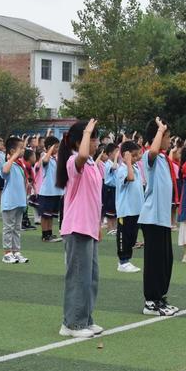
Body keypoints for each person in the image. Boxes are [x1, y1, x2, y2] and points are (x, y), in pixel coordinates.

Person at [56, 119, 104, 339]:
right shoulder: (74, 160)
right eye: (93, 139)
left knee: (91, 277)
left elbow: (95, 199)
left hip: (89, 227)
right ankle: (72, 323)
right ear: (80, 141)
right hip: (76, 227)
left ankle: (85, 319)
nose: (96, 142)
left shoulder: (94, 164)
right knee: (78, 277)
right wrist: (86, 132)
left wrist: (98, 226)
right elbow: (83, 155)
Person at [138, 118, 179, 317]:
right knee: (154, 261)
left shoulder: (164, 159)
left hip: (162, 219)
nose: (169, 141)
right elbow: (153, 151)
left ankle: (160, 297)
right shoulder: (149, 156)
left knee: (165, 260)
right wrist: (160, 130)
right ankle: (150, 302)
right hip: (152, 217)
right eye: (167, 137)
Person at [115, 141, 144, 273]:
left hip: (136, 209)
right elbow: (130, 178)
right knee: (124, 236)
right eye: (133, 155)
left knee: (132, 237)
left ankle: (127, 260)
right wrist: (127, 162)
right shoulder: (122, 170)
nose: (137, 157)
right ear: (125, 156)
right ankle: (123, 261)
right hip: (126, 210)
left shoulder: (135, 167)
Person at [1, 136, 29, 264]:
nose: (23, 150)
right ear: (12, 151)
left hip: (19, 201)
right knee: (8, 228)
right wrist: (13, 157)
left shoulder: (20, 163)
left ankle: (16, 251)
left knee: (17, 228)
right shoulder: (9, 162)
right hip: (10, 202)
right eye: (20, 148)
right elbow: (5, 171)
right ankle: (7, 253)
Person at [38, 136, 64, 242]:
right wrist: (50, 150)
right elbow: (44, 161)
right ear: (49, 147)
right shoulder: (45, 156)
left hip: (55, 192)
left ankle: (50, 233)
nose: (57, 150)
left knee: (51, 215)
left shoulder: (54, 158)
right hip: (47, 192)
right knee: (45, 215)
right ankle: (45, 235)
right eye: (56, 147)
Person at [102, 143, 119, 234]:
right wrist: (116, 158)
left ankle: (114, 228)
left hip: (115, 188)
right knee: (110, 209)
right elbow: (114, 167)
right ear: (109, 154)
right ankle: (109, 228)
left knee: (115, 209)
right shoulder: (108, 164)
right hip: (109, 188)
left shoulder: (115, 163)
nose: (118, 154)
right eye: (115, 152)